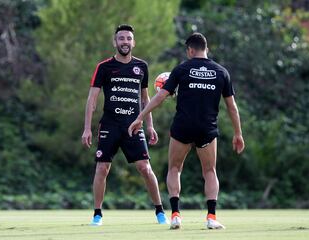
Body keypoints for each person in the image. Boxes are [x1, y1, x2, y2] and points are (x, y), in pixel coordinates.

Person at [128, 32, 245, 230]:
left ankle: (175, 215)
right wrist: (238, 133)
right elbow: (232, 107)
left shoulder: (181, 69)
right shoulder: (221, 72)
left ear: (190, 50)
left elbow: (160, 97)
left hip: (183, 127)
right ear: (206, 48)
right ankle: (211, 217)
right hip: (207, 129)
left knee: (175, 169)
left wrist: (140, 117)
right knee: (209, 171)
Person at [81, 24, 169, 226]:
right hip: (110, 125)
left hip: (133, 126)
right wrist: (87, 127)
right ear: (115, 42)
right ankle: (97, 214)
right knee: (102, 168)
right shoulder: (104, 67)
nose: (125, 42)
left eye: (128, 38)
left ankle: (160, 212)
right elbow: (92, 99)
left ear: (133, 42)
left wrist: (149, 126)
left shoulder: (142, 67)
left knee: (145, 168)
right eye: (121, 38)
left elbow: (146, 100)